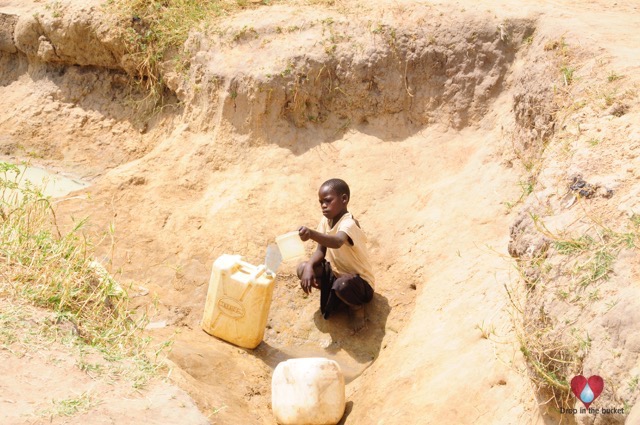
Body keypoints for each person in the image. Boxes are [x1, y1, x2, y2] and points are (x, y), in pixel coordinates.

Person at [297, 178, 375, 333]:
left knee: (342, 285)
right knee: (303, 268)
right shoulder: (326, 221)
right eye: (321, 202)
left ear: (344, 199)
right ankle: (338, 297)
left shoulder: (349, 223)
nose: (323, 206)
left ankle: (356, 307)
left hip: (359, 283)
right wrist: (310, 266)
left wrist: (312, 233)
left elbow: (337, 241)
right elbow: (321, 251)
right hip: (337, 275)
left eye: (327, 201)